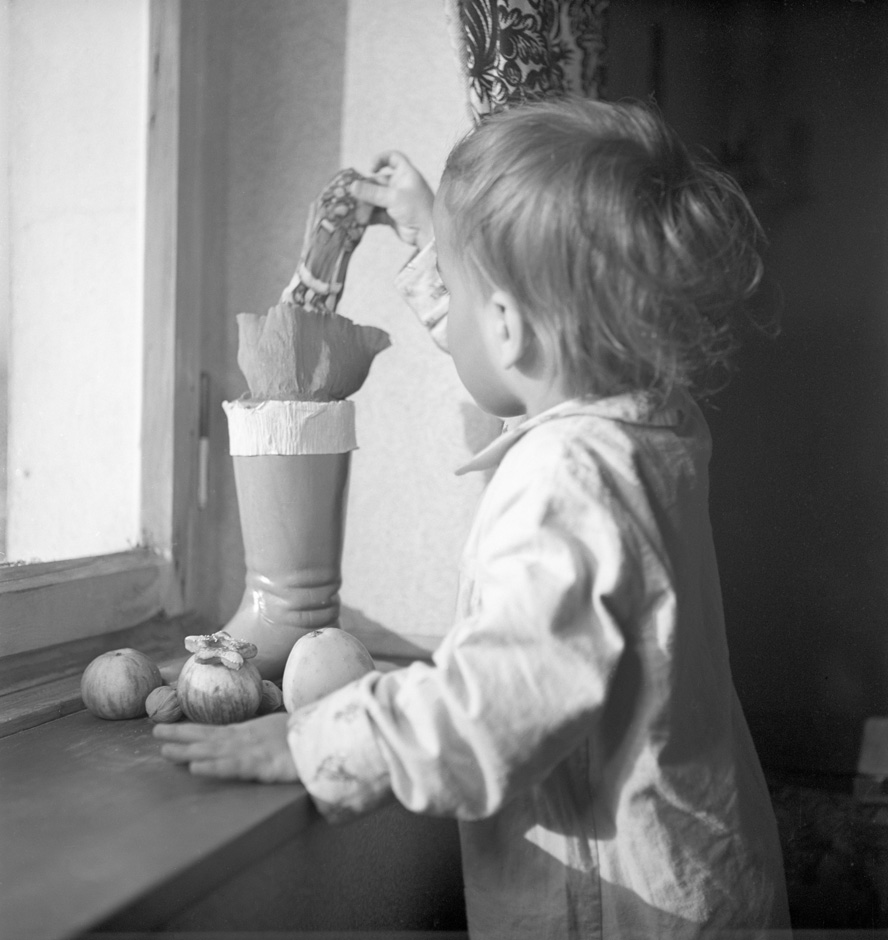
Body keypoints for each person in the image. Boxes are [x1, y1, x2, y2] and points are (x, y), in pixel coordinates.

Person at [155, 97, 790, 938]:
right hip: (700, 878)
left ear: (506, 322)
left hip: (619, 914)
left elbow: (500, 697)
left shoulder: (568, 481)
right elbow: (503, 340)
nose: (445, 314)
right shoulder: (650, 429)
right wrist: (435, 235)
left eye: (453, 287)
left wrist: (316, 748)